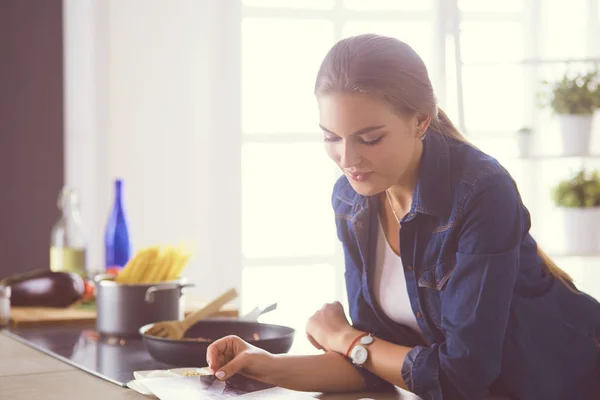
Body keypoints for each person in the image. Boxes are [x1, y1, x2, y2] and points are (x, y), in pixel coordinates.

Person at [206, 34, 600, 400]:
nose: (348, 160)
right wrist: (265, 365)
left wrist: (346, 337)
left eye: (370, 138)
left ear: (420, 121)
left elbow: (461, 376)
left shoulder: (481, 191)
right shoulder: (351, 200)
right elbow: (372, 360)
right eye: (331, 137)